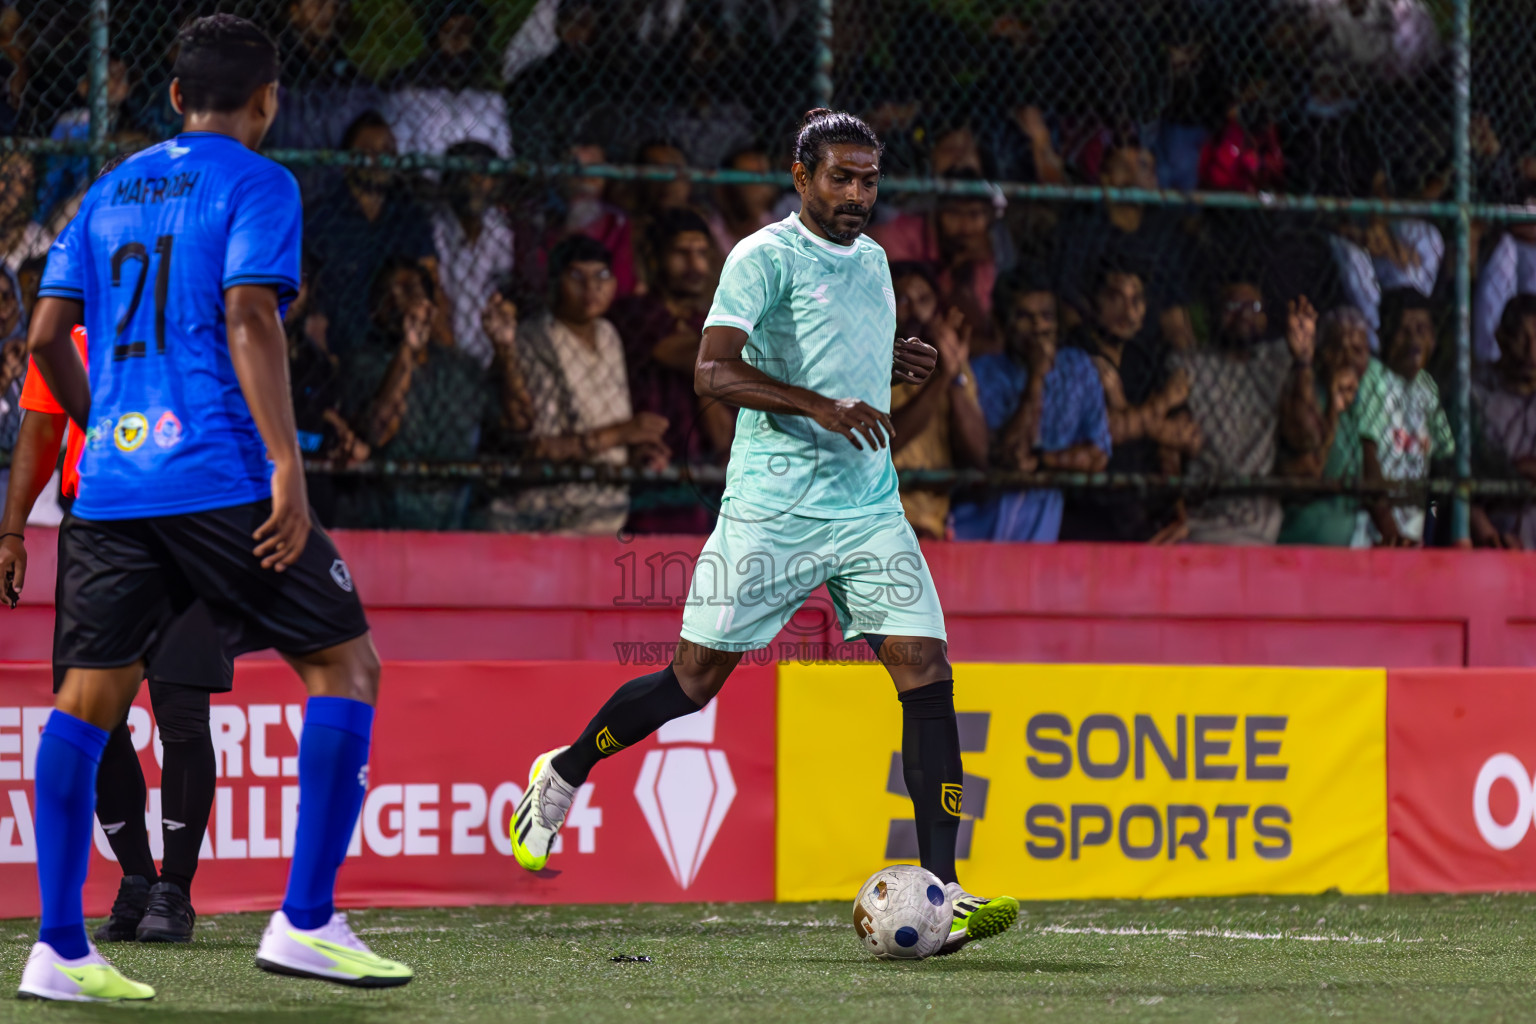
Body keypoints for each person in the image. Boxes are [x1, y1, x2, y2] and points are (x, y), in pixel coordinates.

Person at [506, 110, 1018, 954]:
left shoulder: (879, 263)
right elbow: (712, 369)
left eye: (869, 179)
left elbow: (836, 360)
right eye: (841, 178)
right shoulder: (761, 256)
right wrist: (820, 404)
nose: (858, 194)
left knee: (926, 672)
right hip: (770, 510)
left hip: (867, 507)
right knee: (691, 683)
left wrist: (892, 366)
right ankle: (562, 771)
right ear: (801, 177)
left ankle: (944, 888)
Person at [18, 15, 411, 999]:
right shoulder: (258, 181)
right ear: (268, 99)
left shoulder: (104, 190)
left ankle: (59, 945)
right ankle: (306, 920)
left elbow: (42, 332)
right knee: (347, 663)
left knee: (86, 705)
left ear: (174, 97)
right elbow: (248, 316)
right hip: (217, 474)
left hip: (108, 485)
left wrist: (102, 415)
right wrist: (287, 463)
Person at [2, 319, 221, 947]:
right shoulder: (70, 327)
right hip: (96, 527)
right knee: (92, 714)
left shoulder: (198, 308)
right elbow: (42, 426)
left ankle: (175, 889)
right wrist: (12, 530)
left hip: (190, 521)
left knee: (181, 709)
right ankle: (137, 880)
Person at [487, 236, 668, 534]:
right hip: (548, 513)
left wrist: (638, 450)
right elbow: (540, 448)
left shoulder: (609, 335)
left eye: (601, 277)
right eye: (576, 277)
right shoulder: (535, 339)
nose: (591, 289)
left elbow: (613, 425)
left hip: (606, 509)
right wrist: (622, 433)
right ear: (555, 283)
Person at [951, 269, 1110, 542]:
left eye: (1046, 317)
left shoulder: (1079, 368)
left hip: (1042, 518)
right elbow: (1005, 456)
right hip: (980, 520)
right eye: (1025, 317)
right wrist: (1036, 379)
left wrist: (1041, 462)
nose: (1038, 328)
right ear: (1002, 323)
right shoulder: (981, 373)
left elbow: (1098, 453)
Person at [341, 260, 495, 530]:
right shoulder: (363, 362)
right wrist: (406, 349)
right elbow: (376, 429)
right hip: (388, 504)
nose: (400, 303)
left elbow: (502, 428)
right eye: (388, 296)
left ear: (431, 307)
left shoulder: (460, 367)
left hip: (455, 502)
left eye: (409, 291)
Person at [1174, 281, 1324, 545]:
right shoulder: (1189, 365)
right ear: (1215, 314)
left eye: (1252, 307)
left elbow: (1308, 437)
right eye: (1232, 306)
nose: (1243, 314)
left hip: (1259, 524)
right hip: (1202, 522)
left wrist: (1302, 361)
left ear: (1265, 319)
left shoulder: (1276, 360)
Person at [610, 208, 727, 534]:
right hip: (649, 465)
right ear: (655, 258)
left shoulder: (704, 321)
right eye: (681, 253)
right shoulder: (635, 313)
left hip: (700, 472)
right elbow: (692, 359)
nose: (695, 266)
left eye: (702, 253)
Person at [1060, 263, 1197, 543]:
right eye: (1114, 298)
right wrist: (1163, 403)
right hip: (1087, 510)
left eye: (1137, 301)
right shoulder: (1076, 353)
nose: (1128, 311)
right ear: (1092, 301)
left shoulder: (1146, 358)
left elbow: (1189, 437)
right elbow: (1103, 433)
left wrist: (1127, 413)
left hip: (1144, 510)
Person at [304, 110, 443, 355]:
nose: (381, 159)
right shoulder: (321, 218)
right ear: (347, 162)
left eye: (388, 151)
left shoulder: (410, 216)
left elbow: (432, 285)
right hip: (339, 352)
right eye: (369, 151)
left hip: (402, 349)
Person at [885, 262, 988, 539]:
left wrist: (953, 377)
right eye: (902, 300)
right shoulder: (868, 360)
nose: (915, 309)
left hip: (934, 528)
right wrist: (944, 378)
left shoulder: (952, 365)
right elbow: (886, 442)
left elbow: (979, 455)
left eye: (924, 300)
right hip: (880, 525)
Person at [1354, 288, 1454, 546]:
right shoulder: (1374, 376)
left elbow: (1444, 459)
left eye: (1422, 330)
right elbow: (1367, 455)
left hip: (1413, 530)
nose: (1414, 341)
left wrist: (1432, 519)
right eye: (1404, 330)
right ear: (1385, 335)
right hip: (1372, 531)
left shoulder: (1427, 387)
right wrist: (1389, 530)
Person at [1278, 306, 1372, 546]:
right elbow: (1310, 474)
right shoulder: (1309, 396)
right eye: (1339, 348)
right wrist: (1334, 407)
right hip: (1302, 544)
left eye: (1358, 350)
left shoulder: (1360, 401)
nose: (1349, 358)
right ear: (1322, 354)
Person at [432, 139, 514, 369]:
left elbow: (507, 290)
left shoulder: (500, 229)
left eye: (484, 174)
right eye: (466, 173)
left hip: (492, 354)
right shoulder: (434, 231)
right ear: (449, 181)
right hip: (445, 359)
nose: (476, 181)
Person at [1471, 293, 1536, 549]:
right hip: (1494, 538)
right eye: (1523, 337)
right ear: (1501, 338)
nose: (1532, 351)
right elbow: (1461, 476)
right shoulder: (1477, 396)